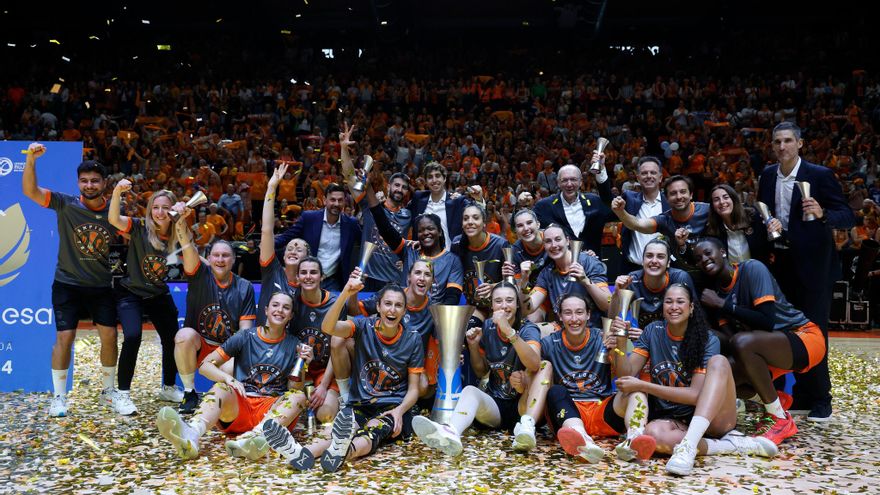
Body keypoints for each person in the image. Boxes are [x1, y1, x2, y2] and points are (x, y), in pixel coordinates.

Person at [612, 284, 778, 476]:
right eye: (669, 301)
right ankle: (731, 445)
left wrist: (643, 385)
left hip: (713, 420)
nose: (674, 306)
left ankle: (689, 446)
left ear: (691, 308)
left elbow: (695, 395)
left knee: (719, 362)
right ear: (663, 307)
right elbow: (626, 375)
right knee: (653, 436)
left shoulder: (707, 339)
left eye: (680, 302)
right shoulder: (652, 331)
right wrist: (621, 341)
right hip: (675, 420)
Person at [265, 273, 424, 472]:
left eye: (398, 305)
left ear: (404, 310)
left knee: (371, 432)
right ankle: (301, 452)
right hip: (360, 404)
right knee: (333, 432)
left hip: (392, 406)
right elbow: (328, 327)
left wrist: (399, 411)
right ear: (378, 307)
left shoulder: (412, 339)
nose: (392, 309)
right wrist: (345, 293)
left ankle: (343, 452)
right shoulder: (363, 326)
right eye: (388, 304)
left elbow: (414, 389)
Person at [757, 122, 855, 421]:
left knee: (815, 331)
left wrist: (823, 213)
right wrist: (768, 225)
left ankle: (822, 398)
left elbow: (847, 215)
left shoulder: (820, 175)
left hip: (815, 267)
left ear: (800, 144)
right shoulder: (768, 175)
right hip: (782, 264)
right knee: (789, 331)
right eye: (777, 142)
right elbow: (764, 213)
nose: (782, 146)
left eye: (788, 141)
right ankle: (800, 393)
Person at [695, 237, 826, 445]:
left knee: (743, 342)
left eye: (708, 252)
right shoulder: (717, 293)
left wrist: (722, 304)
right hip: (768, 353)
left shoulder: (752, 269)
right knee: (722, 375)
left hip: (803, 338)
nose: (704, 259)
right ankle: (775, 401)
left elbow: (767, 321)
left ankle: (779, 419)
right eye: (698, 258)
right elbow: (730, 340)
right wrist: (705, 333)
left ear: (722, 252)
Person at [21, 143, 120, 417]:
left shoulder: (113, 212)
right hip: (67, 284)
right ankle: (59, 397)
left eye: (95, 180)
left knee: (110, 336)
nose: (89, 185)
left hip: (101, 285)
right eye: (84, 180)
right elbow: (30, 191)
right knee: (64, 337)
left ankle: (109, 391)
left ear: (104, 183)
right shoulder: (65, 203)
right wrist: (31, 160)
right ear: (78, 183)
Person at [155, 292, 313, 460]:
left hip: (272, 413)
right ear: (266, 310)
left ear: (291, 315)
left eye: (286, 307)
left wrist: (304, 365)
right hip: (240, 406)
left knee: (298, 396)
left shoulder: (295, 345)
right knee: (220, 387)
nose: (280, 310)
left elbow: (294, 387)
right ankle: (191, 434)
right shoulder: (245, 336)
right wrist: (228, 378)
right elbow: (205, 366)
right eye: (275, 305)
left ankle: (256, 438)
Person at [411, 282, 549, 455]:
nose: (504, 306)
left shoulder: (528, 328)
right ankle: (452, 432)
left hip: (524, 405)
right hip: (497, 406)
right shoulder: (489, 327)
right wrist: (474, 346)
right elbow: (481, 371)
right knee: (470, 390)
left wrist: (509, 332)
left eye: (509, 300)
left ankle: (527, 427)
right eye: (498, 301)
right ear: (491, 306)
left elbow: (535, 364)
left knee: (546, 366)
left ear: (517, 304)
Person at [172, 205, 257, 414]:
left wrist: (222, 355)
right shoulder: (199, 274)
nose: (220, 259)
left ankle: (218, 397)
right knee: (183, 336)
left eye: (225, 256)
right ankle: (189, 392)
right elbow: (186, 245)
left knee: (238, 366)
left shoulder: (244, 286)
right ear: (208, 258)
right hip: (200, 345)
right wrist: (180, 221)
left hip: (226, 351)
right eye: (216, 255)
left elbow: (245, 332)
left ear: (233, 260)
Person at [107, 179, 181, 415]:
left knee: (173, 339)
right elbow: (113, 219)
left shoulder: (178, 232)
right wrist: (117, 192)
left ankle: (168, 387)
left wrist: (183, 219)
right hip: (131, 291)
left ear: (173, 210)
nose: (159, 212)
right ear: (150, 210)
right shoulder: (139, 227)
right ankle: (122, 394)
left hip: (158, 293)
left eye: (165, 207)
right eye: (155, 207)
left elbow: (190, 252)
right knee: (132, 336)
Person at [340, 123, 413, 291]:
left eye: (404, 187)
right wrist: (343, 149)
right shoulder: (371, 207)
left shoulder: (408, 215)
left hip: (394, 279)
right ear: (388, 186)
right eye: (396, 185)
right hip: (366, 277)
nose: (399, 189)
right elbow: (350, 178)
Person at [367, 183, 463, 304]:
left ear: (439, 232)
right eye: (421, 230)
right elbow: (385, 229)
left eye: (430, 228)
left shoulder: (452, 261)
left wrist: (430, 315)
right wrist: (368, 188)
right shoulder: (409, 251)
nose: (426, 233)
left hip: (433, 314)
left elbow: (452, 298)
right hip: (403, 312)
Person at [274, 181, 360, 292]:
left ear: (344, 202)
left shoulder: (351, 224)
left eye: (340, 200)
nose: (336, 204)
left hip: (333, 281)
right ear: (324, 200)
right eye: (332, 199)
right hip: (308, 277)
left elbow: (364, 243)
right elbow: (287, 236)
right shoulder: (309, 218)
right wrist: (267, 245)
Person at [287, 256, 343, 425]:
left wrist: (323, 386)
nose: (308, 276)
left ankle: (338, 400)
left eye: (313, 272)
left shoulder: (335, 303)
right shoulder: (291, 302)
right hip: (299, 367)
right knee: (292, 406)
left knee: (325, 415)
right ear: (297, 277)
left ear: (322, 276)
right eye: (303, 272)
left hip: (326, 370)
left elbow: (337, 349)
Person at [519, 224, 611, 324]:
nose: (554, 245)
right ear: (544, 245)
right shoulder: (546, 273)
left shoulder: (589, 262)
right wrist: (524, 281)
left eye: (558, 239)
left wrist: (586, 282)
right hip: (562, 330)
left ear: (567, 241)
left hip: (591, 329)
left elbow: (608, 303)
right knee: (531, 326)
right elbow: (527, 309)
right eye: (548, 241)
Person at [258, 162, 310, 323]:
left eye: (299, 249)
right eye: (290, 248)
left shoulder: (309, 286)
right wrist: (271, 188)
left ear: (307, 258)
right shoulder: (272, 270)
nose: (293, 250)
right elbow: (267, 231)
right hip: (263, 336)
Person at [533, 158, 614, 255]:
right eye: (564, 180)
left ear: (580, 182)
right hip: (557, 263)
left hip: (592, 262)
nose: (569, 184)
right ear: (558, 183)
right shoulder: (544, 206)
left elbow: (614, 208)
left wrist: (601, 170)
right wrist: (522, 205)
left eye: (573, 179)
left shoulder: (595, 202)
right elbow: (524, 225)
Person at [616, 238, 697, 330]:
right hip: (640, 336)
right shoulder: (632, 280)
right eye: (649, 256)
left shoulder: (680, 278)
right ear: (642, 261)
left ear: (668, 262)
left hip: (673, 335)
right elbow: (614, 319)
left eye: (660, 256)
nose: (654, 261)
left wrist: (648, 336)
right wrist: (617, 292)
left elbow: (693, 318)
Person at [453, 204, 511, 319]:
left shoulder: (500, 245)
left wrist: (493, 286)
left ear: (484, 223)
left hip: (498, 304)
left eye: (475, 218)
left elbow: (512, 282)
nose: (470, 222)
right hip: (472, 306)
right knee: (469, 325)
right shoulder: (457, 244)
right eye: (466, 218)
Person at [618, 156, 670, 274]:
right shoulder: (629, 199)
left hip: (665, 271)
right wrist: (601, 170)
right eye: (644, 173)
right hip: (632, 269)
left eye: (653, 172)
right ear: (638, 178)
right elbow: (608, 200)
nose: (649, 176)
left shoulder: (670, 202)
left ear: (660, 177)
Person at [407, 161, 470, 243]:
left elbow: (476, 210)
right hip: (421, 250)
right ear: (426, 181)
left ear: (444, 179)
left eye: (437, 176)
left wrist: (479, 199)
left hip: (450, 250)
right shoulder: (418, 198)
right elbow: (402, 213)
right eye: (430, 177)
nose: (434, 180)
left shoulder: (456, 200)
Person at [705, 184, 769, 264]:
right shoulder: (712, 231)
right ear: (713, 206)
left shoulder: (753, 218)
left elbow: (772, 242)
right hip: (732, 272)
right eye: (716, 200)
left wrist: (776, 227)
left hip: (759, 270)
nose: (722, 202)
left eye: (726, 197)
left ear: (734, 199)